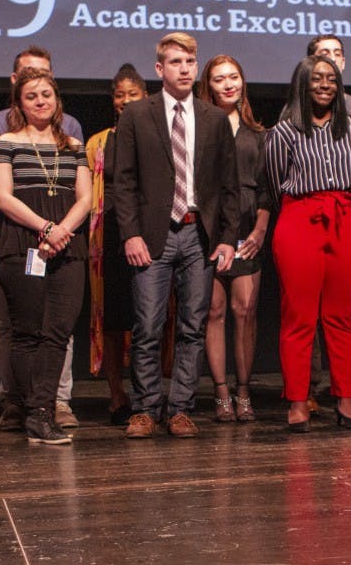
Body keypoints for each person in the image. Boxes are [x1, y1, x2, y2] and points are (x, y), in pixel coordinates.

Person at [112, 32, 240, 438]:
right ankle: (146, 409)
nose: (184, 69)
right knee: (147, 325)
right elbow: (124, 182)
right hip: (154, 235)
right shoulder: (137, 115)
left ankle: (181, 408)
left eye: (189, 62)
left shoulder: (214, 118)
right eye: (175, 62)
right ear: (159, 69)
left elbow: (229, 186)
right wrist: (130, 234)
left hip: (198, 235)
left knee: (191, 326)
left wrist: (226, 237)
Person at [0, 46, 84, 431]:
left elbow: (85, 196)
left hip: (65, 242)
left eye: (46, 93)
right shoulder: (4, 139)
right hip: (20, 241)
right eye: (31, 95)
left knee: (57, 331)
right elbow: (2, 195)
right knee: (22, 330)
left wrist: (61, 232)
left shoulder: (72, 142)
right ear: (18, 99)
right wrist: (44, 228)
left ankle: (46, 408)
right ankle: (23, 406)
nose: (40, 100)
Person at [266, 55, 351, 433]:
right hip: (299, 220)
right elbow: (276, 183)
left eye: (331, 79)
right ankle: (297, 401)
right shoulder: (284, 132)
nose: (325, 85)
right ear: (302, 84)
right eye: (317, 79)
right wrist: (300, 213)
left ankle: (345, 399)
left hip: (345, 220)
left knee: (342, 317)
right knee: (299, 317)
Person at [197, 54, 270, 422]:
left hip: (246, 227)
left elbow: (266, 191)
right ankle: (221, 393)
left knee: (245, 310)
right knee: (214, 310)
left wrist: (259, 230)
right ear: (207, 86)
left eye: (234, 77)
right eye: (219, 78)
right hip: (210, 227)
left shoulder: (258, 135)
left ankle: (244, 391)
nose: (228, 84)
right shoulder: (198, 128)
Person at [304, 34, 351, 415]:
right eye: (321, 56)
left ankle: (346, 389)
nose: (329, 61)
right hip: (308, 217)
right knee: (310, 307)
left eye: (335, 54)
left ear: (343, 64)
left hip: (350, 212)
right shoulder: (294, 111)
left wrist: (345, 200)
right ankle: (310, 388)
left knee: (348, 308)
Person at [85, 63, 147, 426]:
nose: (125, 101)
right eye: (119, 95)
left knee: (147, 319)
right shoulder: (97, 142)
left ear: (146, 97)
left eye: (132, 94)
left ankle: (146, 392)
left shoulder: (158, 136)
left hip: (147, 235)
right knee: (112, 320)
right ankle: (116, 394)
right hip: (107, 238)